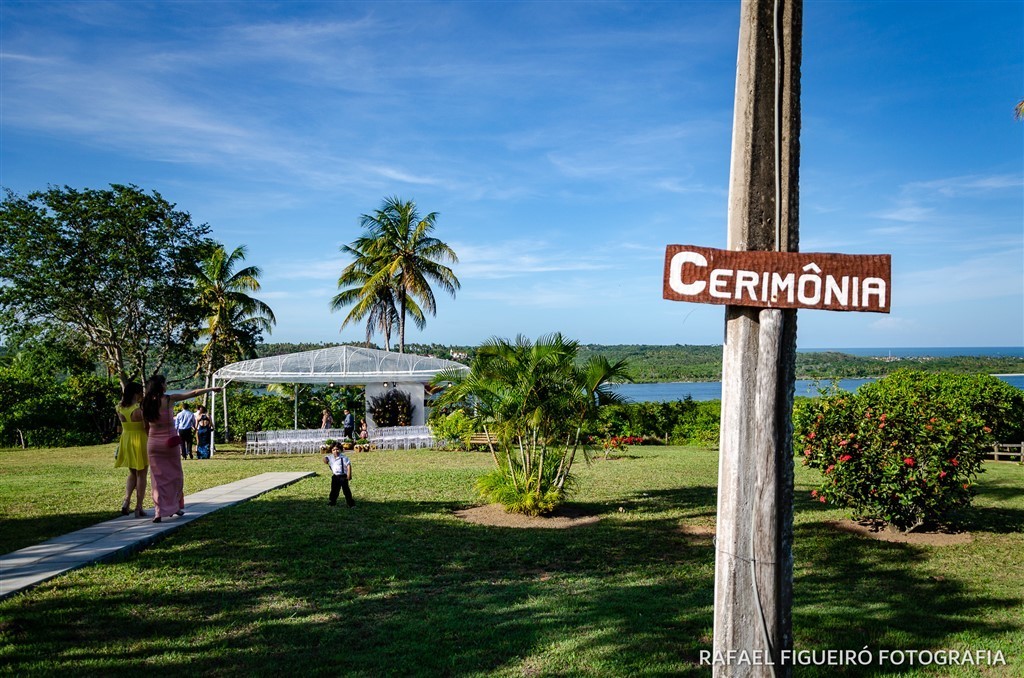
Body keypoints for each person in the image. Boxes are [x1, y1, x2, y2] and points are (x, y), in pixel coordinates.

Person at [144, 375, 221, 523]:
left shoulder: (145, 403)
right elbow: (194, 393)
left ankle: (158, 512)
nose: (166, 385)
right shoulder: (169, 399)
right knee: (175, 475)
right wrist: (211, 389)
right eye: (165, 383)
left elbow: (145, 427)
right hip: (170, 442)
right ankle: (175, 506)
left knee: (157, 479)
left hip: (153, 444)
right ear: (161, 386)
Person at [114, 382, 149, 518]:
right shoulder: (139, 409)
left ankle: (126, 500)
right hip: (140, 440)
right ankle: (138, 507)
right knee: (142, 474)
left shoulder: (119, 407)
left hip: (126, 439)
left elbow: (122, 426)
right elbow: (147, 427)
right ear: (137, 393)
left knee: (132, 473)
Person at [323, 442, 355, 508]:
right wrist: (325, 460)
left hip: (343, 476)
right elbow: (325, 458)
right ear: (331, 451)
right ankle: (332, 501)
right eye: (333, 450)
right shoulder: (330, 457)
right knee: (334, 490)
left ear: (340, 449)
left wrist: (349, 475)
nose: (335, 451)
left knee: (346, 490)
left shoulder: (343, 458)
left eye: (337, 449)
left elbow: (348, 465)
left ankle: (350, 503)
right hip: (335, 476)